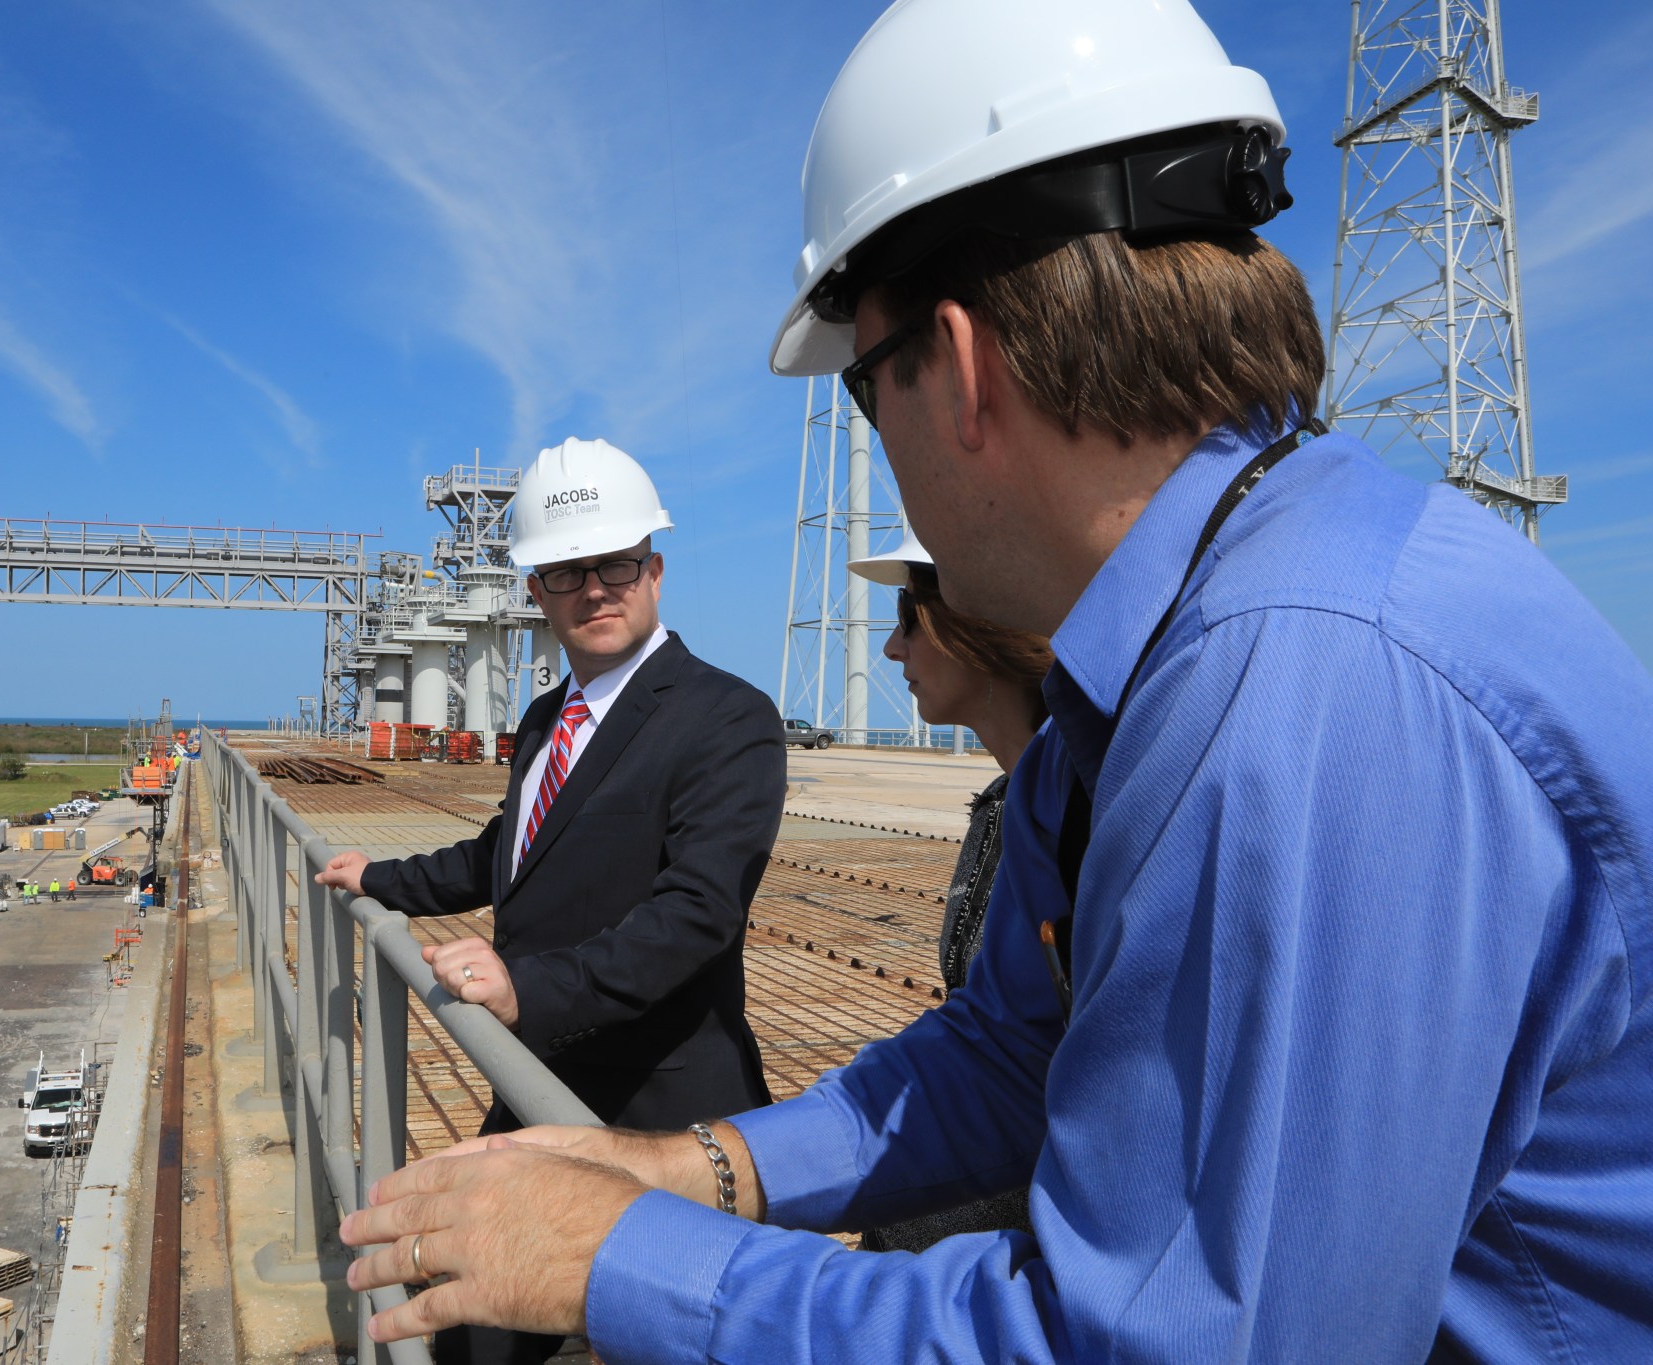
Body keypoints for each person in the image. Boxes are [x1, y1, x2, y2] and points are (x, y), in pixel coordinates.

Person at [337, 1, 1653, 1360]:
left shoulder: (1311, 692)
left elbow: (1149, 1342)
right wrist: (689, 1172)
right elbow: (1010, 1055)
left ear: (958, 369)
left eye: (862, 387)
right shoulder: (1144, 679)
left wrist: (622, 1258)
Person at [316, 437, 786, 1365]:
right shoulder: (544, 719)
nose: (596, 587)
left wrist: (527, 988)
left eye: (616, 563)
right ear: (535, 588)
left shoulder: (728, 719)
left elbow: (696, 915)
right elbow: (508, 856)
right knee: (457, 1329)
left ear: (654, 570)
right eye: (569, 570)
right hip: (541, 1094)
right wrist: (378, 879)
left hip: (661, 1109)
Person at [848, 528, 1052, 1250]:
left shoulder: (1096, 816)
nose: (891, 649)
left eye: (907, 617)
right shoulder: (1004, 805)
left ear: (970, 620)